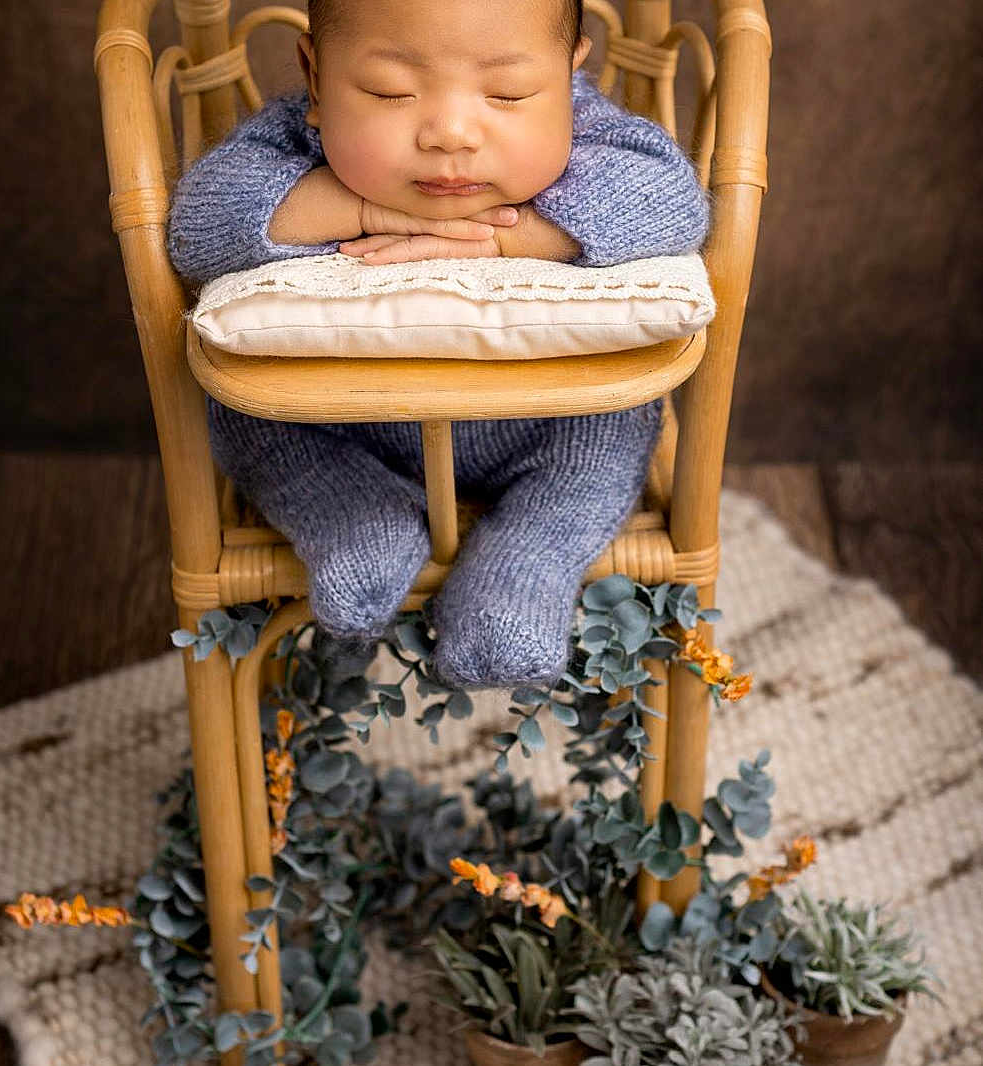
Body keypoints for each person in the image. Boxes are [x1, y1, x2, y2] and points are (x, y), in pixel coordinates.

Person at [167, 0, 710, 690]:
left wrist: (514, 236)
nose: (450, 133)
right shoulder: (294, 141)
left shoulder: (593, 133)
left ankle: (529, 556)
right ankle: (355, 516)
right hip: (341, 427)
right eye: (390, 92)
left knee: (613, 426)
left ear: (570, 76)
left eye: (508, 94)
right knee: (248, 412)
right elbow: (198, 223)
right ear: (317, 73)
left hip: (547, 430)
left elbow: (672, 200)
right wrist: (358, 208)